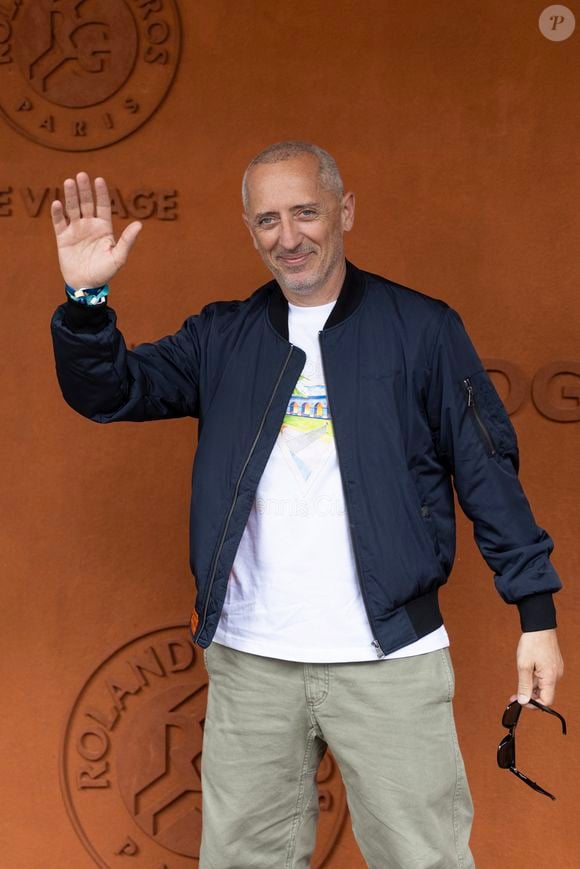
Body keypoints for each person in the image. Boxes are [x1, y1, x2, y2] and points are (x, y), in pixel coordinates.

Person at [50, 141, 564, 868]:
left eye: (304, 212)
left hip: (389, 656)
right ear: (249, 229)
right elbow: (109, 390)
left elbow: (488, 472)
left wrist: (535, 613)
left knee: (426, 859)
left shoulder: (421, 329)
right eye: (266, 220)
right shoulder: (220, 336)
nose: (287, 237)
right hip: (252, 660)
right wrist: (87, 302)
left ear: (344, 210)